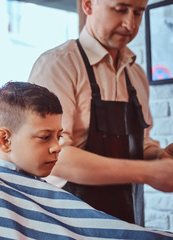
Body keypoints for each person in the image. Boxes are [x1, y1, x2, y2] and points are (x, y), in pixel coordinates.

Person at [0, 81, 173, 239]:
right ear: (4, 140)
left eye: (59, 135)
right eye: (45, 137)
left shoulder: (34, 187)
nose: (57, 147)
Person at [28, 0, 173, 226]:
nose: (129, 23)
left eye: (137, 13)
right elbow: (53, 156)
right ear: (88, 4)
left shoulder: (136, 75)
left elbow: (141, 143)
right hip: (67, 225)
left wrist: (159, 158)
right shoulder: (58, 65)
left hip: (127, 224)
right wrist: (148, 171)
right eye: (120, 9)